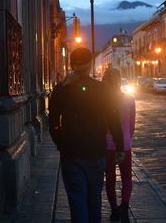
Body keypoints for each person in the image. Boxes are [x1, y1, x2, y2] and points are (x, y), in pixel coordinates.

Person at [49, 48, 125, 223]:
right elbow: (113, 119)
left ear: (71, 65)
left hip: (72, 152)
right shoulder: (103, 89)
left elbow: (53, 121)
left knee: (77, 198)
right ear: (90, 64)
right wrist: (119, 146)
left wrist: (61, 143)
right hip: (96, 152)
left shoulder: (61, 89)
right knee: (94, 198)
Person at [102, 68, 136, 223]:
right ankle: (125, 207)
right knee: (127, 177)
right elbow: (132, 126)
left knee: (110, 179)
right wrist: (126, 138)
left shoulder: (100, 101)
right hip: (125, 145)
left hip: (106, 145)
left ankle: (114, 210)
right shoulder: (129, 99)